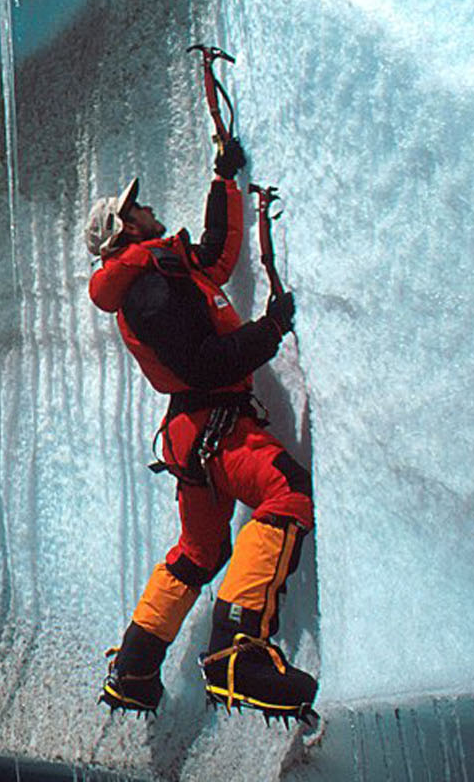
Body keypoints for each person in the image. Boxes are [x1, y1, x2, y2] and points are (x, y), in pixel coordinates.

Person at [84, 135, 317, 722]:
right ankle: (235, 653)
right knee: (285, 493)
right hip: (215, 426)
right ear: (125, 231)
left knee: (200, 550)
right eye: (133, 207)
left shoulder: (162, 270)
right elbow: (202, 365)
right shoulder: (151, 291)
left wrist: (224, 180)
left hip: (195, 434)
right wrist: (269, 331)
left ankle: (135, 667)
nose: (145, 206)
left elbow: (215, 256)